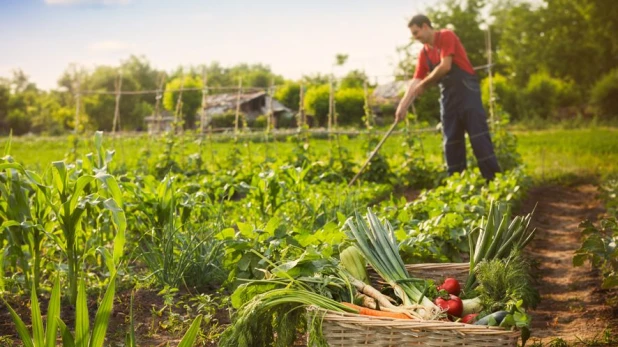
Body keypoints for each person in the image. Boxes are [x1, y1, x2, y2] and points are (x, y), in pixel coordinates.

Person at [395, 14, 501, 180]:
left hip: (467, 91)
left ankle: (494, 181)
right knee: (451, 141)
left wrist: (424, 84)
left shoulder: (446, 36)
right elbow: (416, 80)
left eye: (416, 33)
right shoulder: (424, 53)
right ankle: (458, 185)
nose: (415, 37)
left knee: (478, 137)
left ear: (425, 26)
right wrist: (403, 106)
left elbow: (445, 66)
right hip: (448, 96)